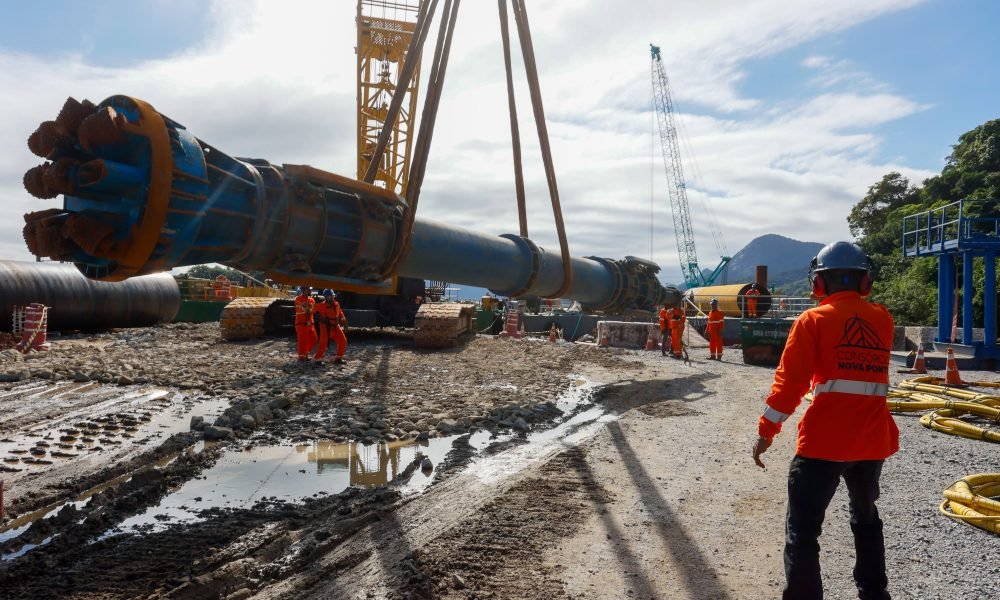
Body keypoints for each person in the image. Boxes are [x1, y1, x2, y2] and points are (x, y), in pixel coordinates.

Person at [751, 241, 897, 600]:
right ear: (866, 282)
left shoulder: (813, 320)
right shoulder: (883, 319)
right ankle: (875, 594)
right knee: (866, 518)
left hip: (823, 445)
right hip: (871, 442)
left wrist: (766, 431)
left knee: (802, 532)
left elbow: (790, 385)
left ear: (818, 284)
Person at [314, 289, 348, 364]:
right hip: (325, 327)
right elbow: (311, 310)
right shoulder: (322, 305)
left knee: (343, 341)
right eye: (329, 296)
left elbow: (340, 312)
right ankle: (318, 359)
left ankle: (338, 359)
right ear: (325, 297)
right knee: (323, 343)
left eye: (332, 296)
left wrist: (344, 320)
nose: (331, 297)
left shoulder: (337, 304)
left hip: (336, 326)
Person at [294, 286, 317, 361]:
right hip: (301, 323)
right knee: (302, 340)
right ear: (303, 290)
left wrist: (308, 309)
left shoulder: (312, 300)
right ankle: (302, 356)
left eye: (310, 290)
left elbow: (313, 311)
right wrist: (306, 309)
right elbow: (300, 310)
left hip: (310, 323)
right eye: (308, 290)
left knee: (314, 339)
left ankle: (306, 353)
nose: (309, 291)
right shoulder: (298, 299)